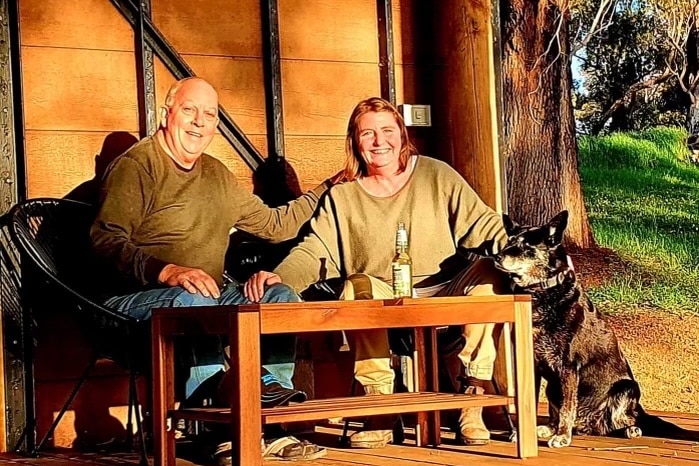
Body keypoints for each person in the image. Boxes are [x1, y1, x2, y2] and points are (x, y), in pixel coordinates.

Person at [90, 77, 335, 464]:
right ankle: (217, 428)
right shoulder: (137, 166)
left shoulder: (217, 175)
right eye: (189, 110)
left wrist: (328, 188)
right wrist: (166, 270)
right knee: (197, 299)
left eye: (209, 115)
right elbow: (105, 240)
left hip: (204, 292)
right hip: (129, 302)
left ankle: (267, 416)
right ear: (167, 113)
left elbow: (274, 225)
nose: (198, 122)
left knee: (278, 297)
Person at [244, 97, 511, 449]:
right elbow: (315, 250)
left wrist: (539, 257)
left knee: (488, 273)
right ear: (355, 141)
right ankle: (379, 404)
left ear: (402, 136)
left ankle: (472, 396)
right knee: (356, 286)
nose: (378, 141)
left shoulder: (435, 174)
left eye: (387, 131)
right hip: (384, 295)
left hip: (445, 289)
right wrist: (280, 277)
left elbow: (486, 226)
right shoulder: (342, 196)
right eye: (367, 133)